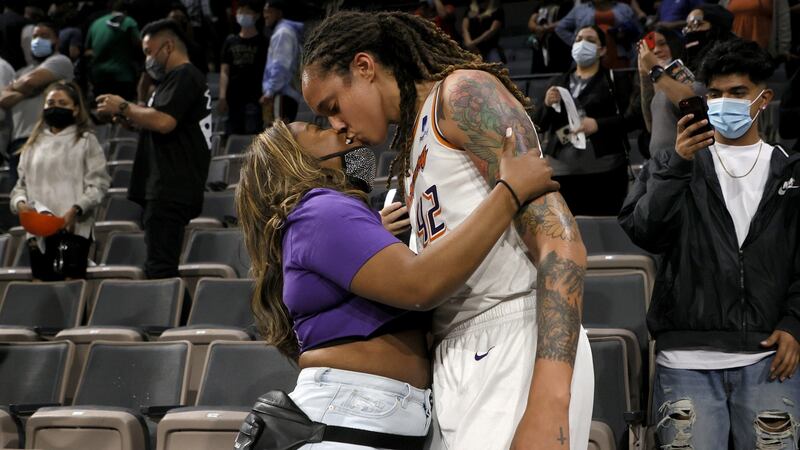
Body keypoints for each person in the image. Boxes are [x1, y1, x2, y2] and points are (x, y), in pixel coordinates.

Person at [302, 11, 594, 450]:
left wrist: (549, 401)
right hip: (455, 352)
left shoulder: (462, 93)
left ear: (364, 67)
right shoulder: (412, 142)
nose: (337, 125)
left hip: (514, 334)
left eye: (333, 107)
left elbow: (561, 242)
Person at [233, 119, 559, 449]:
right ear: (294, 159)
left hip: (370, 413)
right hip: (353, 412)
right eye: (320, 130)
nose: (340, 129)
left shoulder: (320, 215)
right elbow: (420, 286)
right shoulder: (319, 208)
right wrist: (510, 192)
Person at [619, 39, 800, 449]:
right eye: (714, 93)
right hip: (683, 361)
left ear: (763, 98)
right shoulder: (669, 164)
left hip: (768, 359)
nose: (723, 102)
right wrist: (679, 165)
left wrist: (795, 322)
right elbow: (645, 231)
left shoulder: (791, 171)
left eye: (737, 93)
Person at [96, 19, 211, 279]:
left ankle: (163, 319)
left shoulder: (184, 75)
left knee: (160, 267)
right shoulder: (173, 80)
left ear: (168, 46)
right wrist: (128, 120)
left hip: (171, 187)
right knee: (158, 263)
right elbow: (160, 120)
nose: (147, 59)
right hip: (167, 186)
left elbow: (164, 121)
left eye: (149, 52)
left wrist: (124, 106)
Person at [10, 81, 109, 281]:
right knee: (42, 289)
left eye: (62, 103)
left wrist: (75, 210)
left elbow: (98, 184)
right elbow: (20, 186)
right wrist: (20, 204)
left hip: (73, 228)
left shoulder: (86, 141)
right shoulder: (32, 144)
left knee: (70, 291)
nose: (55, 107)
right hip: (37, 232)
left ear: (75, 109)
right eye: (51, 102)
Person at [536, 25, 631, 216]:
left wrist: (598, 124)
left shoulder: (614, 80)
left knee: (603, 227)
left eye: (590, 40)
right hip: (562, 169)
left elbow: (632, 120)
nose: (582, 44)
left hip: (604, 170)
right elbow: (539, 124)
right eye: (578, 39)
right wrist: (546, 104)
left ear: (602, 49)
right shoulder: (557, 81)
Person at [0, 22, 74, 185]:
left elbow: (31, 82)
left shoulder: (60, 61)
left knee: (46, 201)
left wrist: (20, 87)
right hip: (18, 143)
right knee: (22, 203)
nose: (38, 40)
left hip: (47, 137)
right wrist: (33, 88)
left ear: (57, 41)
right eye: (35, 36)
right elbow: (3, 100)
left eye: (44, 36)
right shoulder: (21, 72)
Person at [637, 27, 697, 158]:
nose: (657, 50)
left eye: (662, 44)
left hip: (689, 159)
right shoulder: (652, 78)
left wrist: (656, 71)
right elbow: (650, 125)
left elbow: (693, 105)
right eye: (650, 47)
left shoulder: (692, 73)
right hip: (661, 163)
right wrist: (644, 75)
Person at [219, 0, 269, 135]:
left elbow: (268, 71)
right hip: (233, 98)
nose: (242, 14)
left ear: (257, 15)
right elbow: (224, 71)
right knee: (232, 134)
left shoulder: (263, 41)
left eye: (247, 11)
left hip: (254, 97)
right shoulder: (230, 41)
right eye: (240, 11)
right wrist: (222, 96)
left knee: (253, 136)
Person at [556, 0, 643, 68]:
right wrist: (578, 42)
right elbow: (560, 28)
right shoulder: (580, 9)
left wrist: (625, 34)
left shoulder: (624, 8)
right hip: (587, 55)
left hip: (620, 55)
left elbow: (639, 31)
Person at [85, 0, 142, 101]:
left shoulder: (96, 23)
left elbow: (88, 50)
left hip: (99, 75)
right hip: (122, 75)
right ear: (126, 11)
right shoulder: (128, 21)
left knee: (102, 108)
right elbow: (140, 45)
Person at [260, 0, 304, 125]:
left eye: (269, 11)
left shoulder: (283, 33)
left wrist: (270, 92)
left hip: (282, 94)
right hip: (283, 94)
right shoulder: (284, 31)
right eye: (264, 11)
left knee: (279, 138)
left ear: (279, 13)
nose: (265, 15)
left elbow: (280, 66)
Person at [528, 0, 573, 74]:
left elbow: (565, 21)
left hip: (560, 45)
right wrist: (538, 28)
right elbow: (531, 22)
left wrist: (545, 28)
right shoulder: (541, 5)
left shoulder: (568, 4)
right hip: (542, 45)